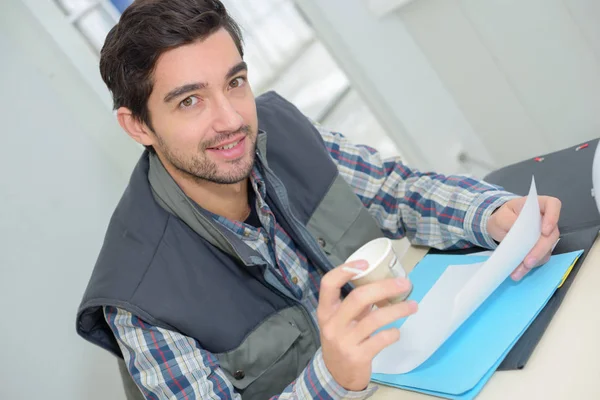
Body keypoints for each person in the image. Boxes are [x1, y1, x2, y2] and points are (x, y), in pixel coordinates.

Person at [76, 1, 562, 399]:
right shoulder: (139, 298)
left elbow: (398, 191)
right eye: (190, 101)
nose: (231, 120)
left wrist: (495, 215)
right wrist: (331, 376)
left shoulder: (279, 130)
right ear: (138, 125)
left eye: (234, 82)